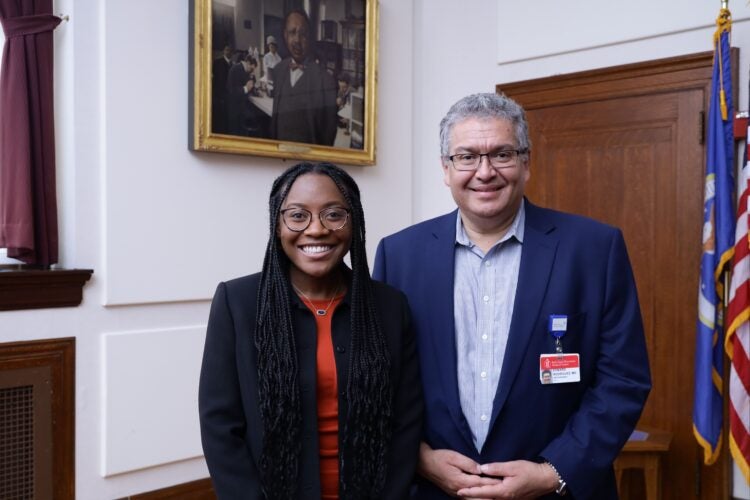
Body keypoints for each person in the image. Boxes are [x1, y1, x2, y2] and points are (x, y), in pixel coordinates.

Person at [372, 92, 651, 499]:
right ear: (446, 169)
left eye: (501, 154)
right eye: (467, 156)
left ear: (526, 162)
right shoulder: (399, 255)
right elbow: (378, 380)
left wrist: (553, 471)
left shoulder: (593, 249)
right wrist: (418, 457)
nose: (484, 172)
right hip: (433, 490)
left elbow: (622, 380)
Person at [199, 162, 423, 499]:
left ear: (354, 222)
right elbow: (220, 425)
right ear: (277, 225)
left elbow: (405, 424)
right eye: (298, 215)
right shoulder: (238, 303)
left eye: (334, 215)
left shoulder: (390, 307)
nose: (316, 229)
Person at [270, 9, 338, 146]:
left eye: (303, 34)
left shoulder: (327, 82)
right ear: (285, 35)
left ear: (309, 37)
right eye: (292, 32)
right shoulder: (278, 70)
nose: (297, 40)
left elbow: (328, 137)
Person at [226, 54, 259, 136]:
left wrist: (254, 87)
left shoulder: (246, 70)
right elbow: (231, 91)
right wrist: (245, 89)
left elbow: (250, 84)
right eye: (252, 68)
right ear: (247, 63)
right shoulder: (235, 69)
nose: (252, 71)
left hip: (241, 108)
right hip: (235, 109)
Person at [212, 45, 233, 133]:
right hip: (219, 95)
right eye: (226, 50)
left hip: (228, 96)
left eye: (230, 51)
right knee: (219, 119)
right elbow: (216, 80)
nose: (228, 52)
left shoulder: (233, 64)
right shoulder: (217, 62)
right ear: (223, 51)